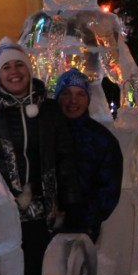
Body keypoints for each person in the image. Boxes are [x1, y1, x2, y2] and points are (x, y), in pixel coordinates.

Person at [0, 37, 80, 275]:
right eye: (6, 67)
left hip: (41, 210)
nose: (14, 72)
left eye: (19, 65)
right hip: (2, 210)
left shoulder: (48, 110)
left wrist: (71, 204)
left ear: (28, 69)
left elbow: (65, 158)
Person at [18, 0, 138, 126]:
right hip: (41, 117)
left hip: (89, 116)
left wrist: (132, 113)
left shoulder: (100, 22)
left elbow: (126, 72)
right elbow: (15, 69)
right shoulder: (35, 22)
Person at [54, 68, 123, 243]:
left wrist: (83, 219)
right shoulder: (44, 132)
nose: (73, 100)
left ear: (88, 99)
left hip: (82, 231)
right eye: (67, 93)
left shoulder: (103, 140)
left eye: (80, 94)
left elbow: (109, 190)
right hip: (42, 227)